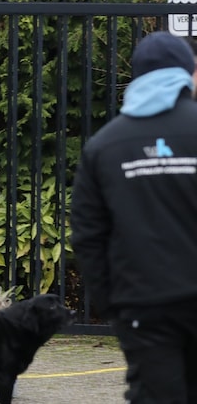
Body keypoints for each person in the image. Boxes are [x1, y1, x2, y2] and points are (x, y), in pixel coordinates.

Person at [71, 31, 197, 403]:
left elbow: (88, 235)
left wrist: (114, 304)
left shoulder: (104, 145)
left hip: (143, 304)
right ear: (187, 72)